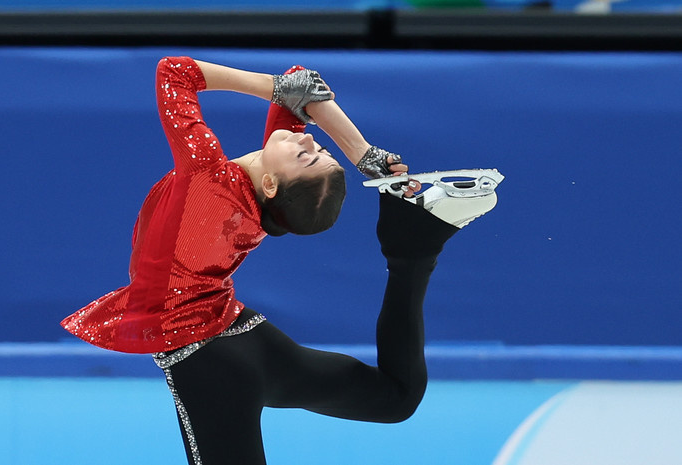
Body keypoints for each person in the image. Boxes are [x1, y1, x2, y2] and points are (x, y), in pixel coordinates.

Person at [61, 56, 501, 465]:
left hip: (209, 360)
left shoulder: (204, 173)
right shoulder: (261, 197)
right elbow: (305, 87)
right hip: (241, 337)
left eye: (307, 155)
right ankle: (413, 252)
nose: (309, 137)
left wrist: (273, 88)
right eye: (320, 151)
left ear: (272, 185)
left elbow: (174, 72)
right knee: (394, 397)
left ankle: (413, 245)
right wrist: (362, 153)